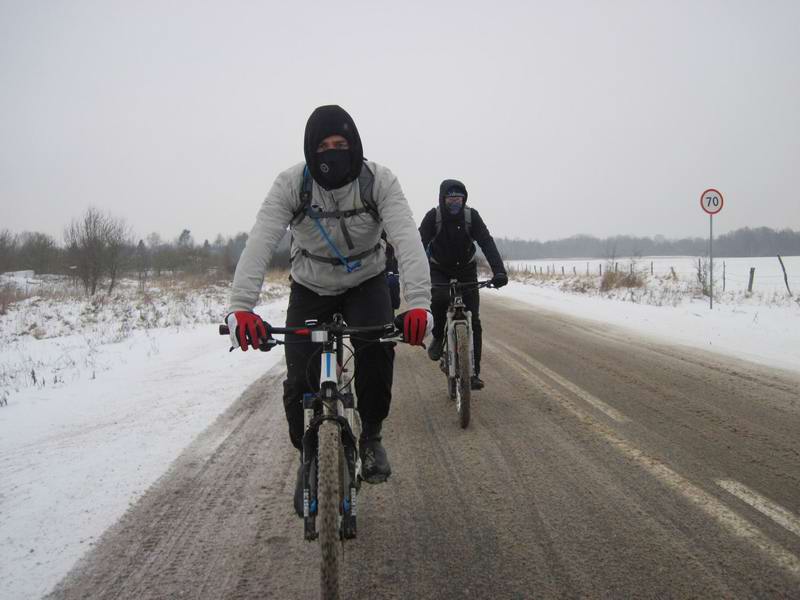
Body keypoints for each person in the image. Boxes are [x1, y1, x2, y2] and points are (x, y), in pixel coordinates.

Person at [226, 105, 432, 516]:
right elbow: (261, 241)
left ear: (355, 145)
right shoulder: (291, 184)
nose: (332, 152)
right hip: (311, 287)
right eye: (323, 146)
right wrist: (240, 308)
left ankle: (371, 437)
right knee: (299, 372)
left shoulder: (379, 182)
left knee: (375, 351)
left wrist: (419, 305)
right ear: (309, 150)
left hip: (367, 281)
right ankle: (309, 456)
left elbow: (407, 240)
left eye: (341, 145)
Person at [418, 179, 508, 390]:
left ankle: (473, 372)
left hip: (466, 269)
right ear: (443, 199)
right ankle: (439, 336)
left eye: (459, 198)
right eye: (450, 198)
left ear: (464, 199)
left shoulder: (471, 217)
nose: (455, 203)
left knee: (474, 321)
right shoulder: (434, 217)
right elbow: (418, 243)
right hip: (439, 268)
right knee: (439, 298)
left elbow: (486, 241)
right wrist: (414, 271)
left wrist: (499, 271)